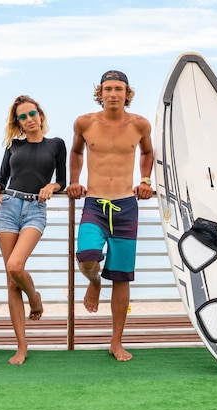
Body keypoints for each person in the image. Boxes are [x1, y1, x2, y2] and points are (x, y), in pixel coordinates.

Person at [66, 70, 154, 361]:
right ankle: (93, 282)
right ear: (100, 92)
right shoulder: (84, 122)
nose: (113, 93)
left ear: (127, 93)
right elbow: (76, 152)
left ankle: (116, 342)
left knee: (121, 277)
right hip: (94, 203)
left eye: (119, 89)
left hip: (127, 206)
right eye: (108, 89)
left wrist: (145, 180)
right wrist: (75, 179)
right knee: (87, 255)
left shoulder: (140, 124)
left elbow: (147, 153)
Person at [0, 95, 67, 365]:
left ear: (41, 116)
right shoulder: (13, 146)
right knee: (11, 279)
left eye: (32, 114)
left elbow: (63, 181)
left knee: (16, 265)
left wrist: (52, 187)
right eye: (23, 117)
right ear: (18, 123)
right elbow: (1, 178)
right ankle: (22, 346)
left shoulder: (56, 145)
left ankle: (35, 298)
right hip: (8, 207)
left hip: (35, 209)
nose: (29, 119)